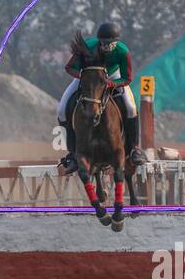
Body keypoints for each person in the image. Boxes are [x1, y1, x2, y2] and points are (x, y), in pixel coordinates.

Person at [57, 22, 147, 171]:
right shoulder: (88, 46)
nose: (105, 47)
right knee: (61, 110)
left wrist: (111, 84)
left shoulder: (122, 51)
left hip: (114, 76)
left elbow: (127, 78)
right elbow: (69, 67)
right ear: (99, 41)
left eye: (109, 44)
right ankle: (72, 154)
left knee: (131, 108)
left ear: (116, 42)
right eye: (103, 43)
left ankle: (134, 149)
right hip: (87, 76)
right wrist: (84, 77)